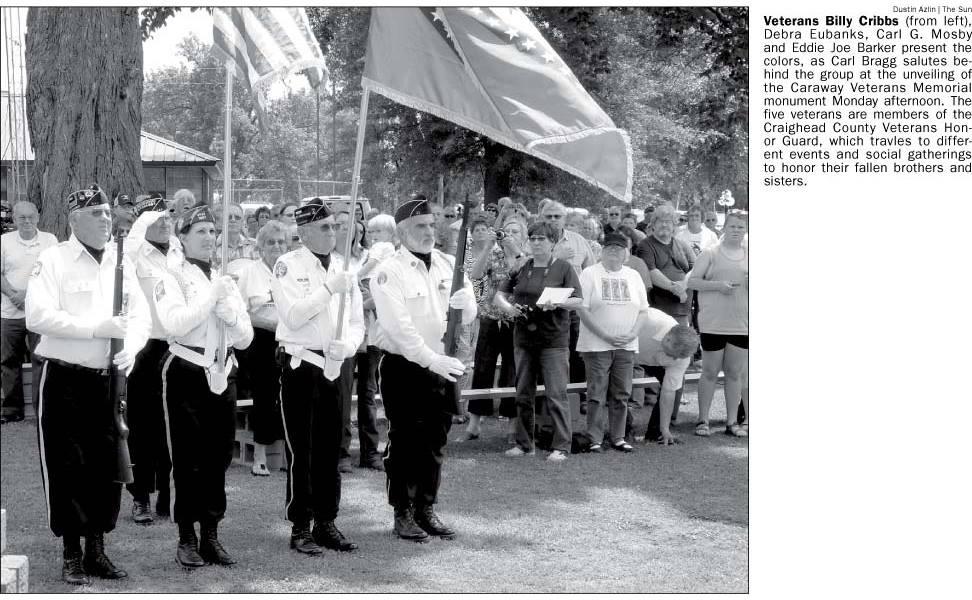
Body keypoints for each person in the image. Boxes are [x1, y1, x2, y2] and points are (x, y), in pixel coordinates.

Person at [26, 184, 152, 584]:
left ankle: (98, 548)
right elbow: (37, 317)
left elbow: (141, 317)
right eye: (95, 214)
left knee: (105, 465)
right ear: (73, 220)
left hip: (109, 381)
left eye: (106, 213)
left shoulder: (120, 261)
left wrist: (130, 348)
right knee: (67, 466)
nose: (104, 220)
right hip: (65, 378)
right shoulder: (54, 260)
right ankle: (71, 553)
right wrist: (95, 328)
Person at [369, 197, 477, 541]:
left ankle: (425, 508)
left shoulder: (449, 264)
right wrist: (433, 360)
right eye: (421, 226)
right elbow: (399, 329)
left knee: (435, 440)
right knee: (405, 441)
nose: (429, 231)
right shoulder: (389, 272)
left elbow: (468, 314)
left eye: (432, 225)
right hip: (405, 366)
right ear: (402, 232)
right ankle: (402, 511)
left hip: (441, 365)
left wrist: (468, 304)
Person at [154, 204, 253, 568]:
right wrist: (211, 299)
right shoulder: (172, 277)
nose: (210, 238)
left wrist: (232, 316)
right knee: (186, 457)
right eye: (201, 232)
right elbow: (176, 323)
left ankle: (211, 533)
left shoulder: (224, 278)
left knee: (217, 457)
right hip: (187, 368)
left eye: (213, 231)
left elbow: (245, 337)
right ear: (182, 238)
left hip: (223, 371)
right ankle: (186, 537)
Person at [270, 198, 363, 554]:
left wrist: (350, 346)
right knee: (303, 448)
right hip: (302, 364)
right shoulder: (287, 265)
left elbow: (356, 322)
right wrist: (328, 290)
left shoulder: (343, 267)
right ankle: (300, 525)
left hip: (336, 365)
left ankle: (327, 520)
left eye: (335, 226)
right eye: (324, 227)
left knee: (331, 447)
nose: (333, 232)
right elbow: (293, 316)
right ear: (305, 232)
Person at [493, 221, 582, 462]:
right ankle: (524, 444)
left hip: (553, 339)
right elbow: (499, 295)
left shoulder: (564, 268)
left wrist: (559, 302)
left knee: (556, 394)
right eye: (532, 238)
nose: (536, 242)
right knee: (523, 393)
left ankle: (561, 446)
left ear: (553, 243)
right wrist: (509, 309)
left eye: (542, 239)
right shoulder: (522, 266)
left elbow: (578, 301)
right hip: (523, 338)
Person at [123, 193, 177, 525]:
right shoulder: (133, 253)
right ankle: (140, 496)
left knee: (174, 425)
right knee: (142, 427)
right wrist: (143, 219)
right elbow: (127, 249)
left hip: (177, 346)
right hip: (145, 348)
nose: (166, 222)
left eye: (169, 216)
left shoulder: (179, 251)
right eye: (158, 218)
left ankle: (169, 497)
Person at [576, 233, 652, 453]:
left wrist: (633, 334)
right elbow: (582, 309)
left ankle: (618, 436)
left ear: (626, 253)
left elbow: (643, 310)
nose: (614, 251)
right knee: (596, 394)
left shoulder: (634, 275)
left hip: (626, 345)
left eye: (619, 248)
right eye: (609, 247)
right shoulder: (590, 273)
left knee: (621, 393)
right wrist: (605, 335)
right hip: (596, 344)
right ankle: (595, 438)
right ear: (602, 250)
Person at [458, 216, 525, 442]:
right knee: (483, 369)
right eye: (507, 231)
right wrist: (488, 245)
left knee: (511, 372)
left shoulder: (526, 258)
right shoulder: (493, 254)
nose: (510, 235)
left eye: (516, 231)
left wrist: (513, 247)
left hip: (516, 321)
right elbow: (475, 275)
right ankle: (475, 424)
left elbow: (523, 270)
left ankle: (512, 425)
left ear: (523, 235)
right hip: (490, 319)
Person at [687, 210, 749, 437]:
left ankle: (732, 422)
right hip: (713, 323)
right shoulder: (710, 253)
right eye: (733, 226)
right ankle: (702, 420)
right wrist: (718, 286)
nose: (737, 231)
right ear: (724, 228)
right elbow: (693, 282)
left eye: (741, 227)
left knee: (735, 374)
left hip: (742, 323)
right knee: (710, 372)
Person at [235, 220, 289, 475]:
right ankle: (259, 456)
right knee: (265, 397)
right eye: (270, 242)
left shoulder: (291, 271)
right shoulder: (250, 272)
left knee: (290, 396)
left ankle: (289, 454)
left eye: (280, 242)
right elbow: (242, 311)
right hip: (261, 342)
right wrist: (271, 324)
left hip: (290, 340)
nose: (276, 246)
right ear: (260, 247)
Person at [634, 203, 695, 425]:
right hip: (657, 310)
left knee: (680, 361)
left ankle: (670, 419)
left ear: (675, 225)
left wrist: (684, 285)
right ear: (653, 224)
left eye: (669, 222)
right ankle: (651, 406)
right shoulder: (646, 245)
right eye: (660, 222)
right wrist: (674, 287)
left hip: (681, 310)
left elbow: (693, 269)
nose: (665, 227)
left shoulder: (682, 245)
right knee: (656, 360)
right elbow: (651, 272)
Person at [1, 200, 57, 423]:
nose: (26, 221)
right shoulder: (3, 241)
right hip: (8, 312)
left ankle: (41, 409)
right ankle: (11, 410)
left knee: (41, 359)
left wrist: (27, 295)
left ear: (38, 218)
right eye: (21, 217)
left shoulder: (49, 240)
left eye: (30, 217)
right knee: (7, 361)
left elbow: (53, 273)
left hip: (40, 312)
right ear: (13, 219)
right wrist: (14, 295)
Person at [540, 200, 594, 415]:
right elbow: (527, 270)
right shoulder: (534, 239)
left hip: (573, 309)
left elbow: (591, 271)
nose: (553, 220)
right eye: (549, 216)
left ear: (564, 219)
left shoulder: (579, 241)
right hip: (546, 310)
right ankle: (546, 401)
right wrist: (556, 258)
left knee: (576, 354)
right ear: (542, 217)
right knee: (549, 357)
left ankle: (577, 396)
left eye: (557, 216)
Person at [333, 209, 374, 474]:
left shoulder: (370, 258)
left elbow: (378, 292)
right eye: (339, 225)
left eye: (352, 225)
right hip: (343, 337)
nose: (347, 230)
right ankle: (341, 452)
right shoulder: (332, 260)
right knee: (342, 396)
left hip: (369, 333)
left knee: (368, 394)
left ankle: (370, 452)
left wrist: (363, 300)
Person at [633, 309, 699, 446]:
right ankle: (621, 430)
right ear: (668, 339)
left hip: (652, 360)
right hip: (624, 351)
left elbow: (668, 392)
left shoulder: (681, 357)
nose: (675, 359)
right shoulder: (648, 321)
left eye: (679, 357)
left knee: (672, 387)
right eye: (674, 354)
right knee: (616, 387)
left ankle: (656, 432)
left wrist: (665, 428)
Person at [213, 203, 258, 270]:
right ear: (222, 221)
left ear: (242, 222)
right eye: (229, 217)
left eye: (237, 217)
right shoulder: (212, 246)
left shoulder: (255, 246)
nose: (233, 220)